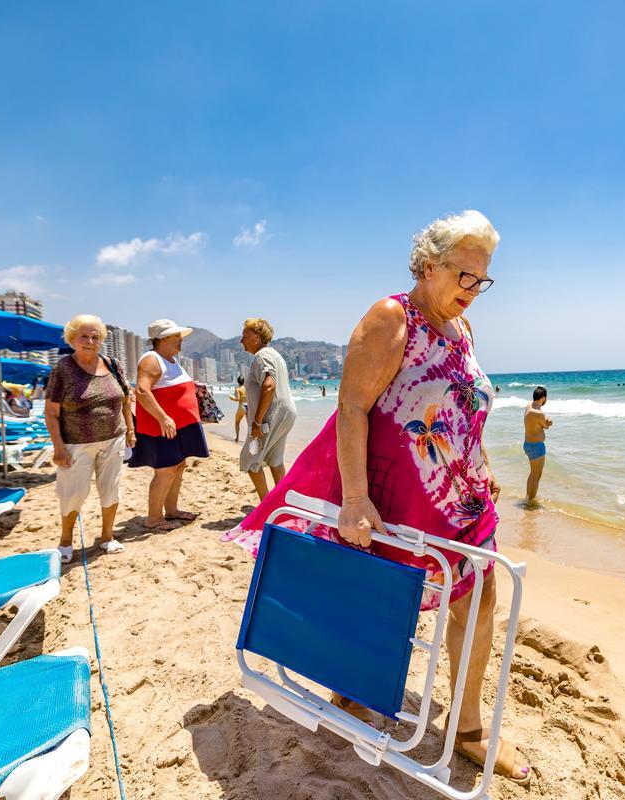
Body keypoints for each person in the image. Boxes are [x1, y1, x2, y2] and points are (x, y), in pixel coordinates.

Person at [223, 210, 530, 785]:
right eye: (464, 276)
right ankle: (353, 687)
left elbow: (465, 412)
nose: (473, 291)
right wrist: (356, 498)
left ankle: (467, 731)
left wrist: (482, 465)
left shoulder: (463, 331)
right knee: (381, 600)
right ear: (427, 265)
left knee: (480, 601)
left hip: (462, 501)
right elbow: (352, 407)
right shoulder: (394, 318)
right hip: (398, 499)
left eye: (481, 280)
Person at [44, 314, 134, 563]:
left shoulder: (113, 364)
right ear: (72, 338)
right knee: (73, 493)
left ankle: (107, 537)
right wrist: (58, 448)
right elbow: (51, 414)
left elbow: (126, 399)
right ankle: (65, 542)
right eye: (84, 336)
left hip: (113, 439)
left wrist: (131, 430)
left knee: (111, 490)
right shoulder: (63, 369)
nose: (91, 341)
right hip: (76, 444)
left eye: (96, 337)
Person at [127, 319, 209, 529]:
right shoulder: (152, 359)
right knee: (165, 470)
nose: (181, 340)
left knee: (178, 466)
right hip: (162, 428)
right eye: (176, 336)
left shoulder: (170, 360)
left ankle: (171, 510)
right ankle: (153, 518)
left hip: (179, 427)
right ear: (163, 338)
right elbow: (142, 391)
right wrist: (163, 417)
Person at [239, 317, 297, 500]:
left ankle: (266, 505)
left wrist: (256, 421)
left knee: (249, 460)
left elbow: (269, 385)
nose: (241, 341)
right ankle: (285, 503)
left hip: (270, 417)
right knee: (275, 460)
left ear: (256, 337)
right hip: (286, 413)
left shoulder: (261, 356)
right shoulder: (276, 355)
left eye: (244, 335)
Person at [523, 386, 552, 505]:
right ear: (543, 398)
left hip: (528, 444)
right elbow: (546, 426)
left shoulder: (529, 406)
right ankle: (531, 502)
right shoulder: (538, 413)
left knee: (532, 473)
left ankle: (528, 497)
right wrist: (550, 422)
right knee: (537, 475)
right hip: (536, 446)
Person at [231, 376, 248, 442]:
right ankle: (249, 438)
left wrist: (231, 398)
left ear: (238, 382)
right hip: (248, 406)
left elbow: (237, 399)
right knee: (249, 424)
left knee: (237, 422)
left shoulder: (238, 389)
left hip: (242, 406)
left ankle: (237, 438)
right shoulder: (247, 388)